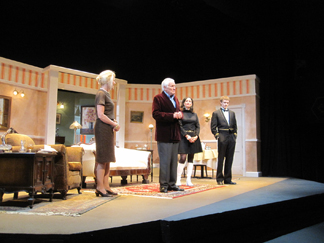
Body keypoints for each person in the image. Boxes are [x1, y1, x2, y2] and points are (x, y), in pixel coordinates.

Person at [152, 78, 184, 193]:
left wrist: (180, 114)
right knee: (165, 161)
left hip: (175, 134)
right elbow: (156, 114)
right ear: (164, 87)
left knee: (173, 161)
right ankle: (164, 185)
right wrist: (172, 116)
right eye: (171, 86)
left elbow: (178, 111)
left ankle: (172, 183)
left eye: (174, 86)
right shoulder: (158, 98)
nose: (174, 88)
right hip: (164, 134)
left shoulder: (175, 98)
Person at [94, 70, 120, 197]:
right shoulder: (101, 93)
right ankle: (99, 187)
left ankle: (106, 186)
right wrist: (114, 124)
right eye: (113, 80)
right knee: (102, 158)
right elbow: (100, 115)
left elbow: (107, 114)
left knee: (108, 158)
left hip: (107, 128)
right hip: (102, 128)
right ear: (109, 81)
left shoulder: (107, 94)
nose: (114, 82)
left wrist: (113, 122)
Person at [210, 96, 237, 185]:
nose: (226, 104)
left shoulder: (232, 113)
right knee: (221, 158)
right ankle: (219, 178)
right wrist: (217, 135)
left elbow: (235, 126)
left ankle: (228, 179)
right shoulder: (216, 113)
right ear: (220, 103)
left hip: (231, 137)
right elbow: (213, 127)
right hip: (222, 136)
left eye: (227, 103)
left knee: (230, 158)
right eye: (224, 102)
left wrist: (235, 135)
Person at [176, 97, 203, 186]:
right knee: (183, 157)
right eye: (186, 101)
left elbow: (198, 126)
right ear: (183, 103)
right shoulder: (181, 113)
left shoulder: (194, 115)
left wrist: (196, 136)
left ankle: (188, 180)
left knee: (191, 158)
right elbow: (179, 126)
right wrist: (187, 136)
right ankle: (178, 179)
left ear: (191, 103)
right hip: (184, 138)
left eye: (190, 101)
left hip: (194, 137)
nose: (188, 102)